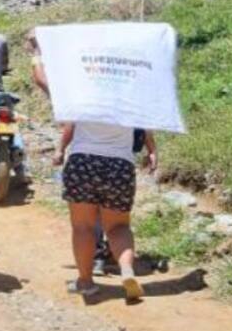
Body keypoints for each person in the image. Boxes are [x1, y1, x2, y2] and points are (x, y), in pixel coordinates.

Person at [52, 122, 158, 302]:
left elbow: (71, 126)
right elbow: (144, 126)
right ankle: (126, 270)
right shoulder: (131, 99)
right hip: (119, 166)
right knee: (118, 227)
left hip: (82, 162)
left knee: (83, 227)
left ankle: (85, 282)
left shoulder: (86, 96)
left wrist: (60, 150)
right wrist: (152, 150)